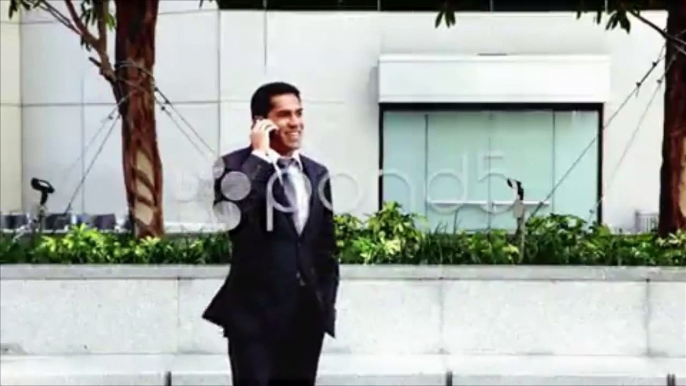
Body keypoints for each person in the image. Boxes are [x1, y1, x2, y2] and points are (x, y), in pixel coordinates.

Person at [203, 82, 340, 386]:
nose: (295, 122)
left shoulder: (317, 174)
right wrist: (260, 158)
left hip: (306, 319)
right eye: (284, 115)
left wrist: (325, 302)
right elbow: (231, 215)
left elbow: (325, 247)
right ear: (261, 122)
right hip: (254, 321)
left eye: (299, 113)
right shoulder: (233, 166)